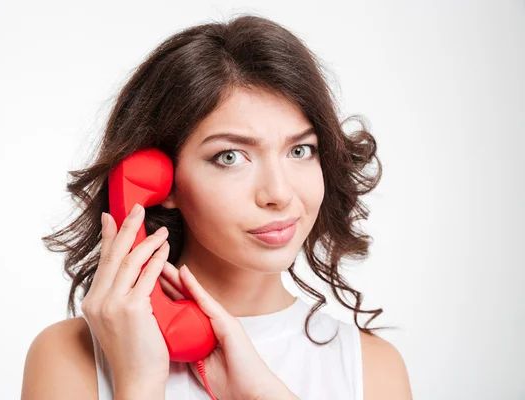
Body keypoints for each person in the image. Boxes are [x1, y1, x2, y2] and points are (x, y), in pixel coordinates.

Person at [21, 14, 412, 400]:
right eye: (230, 157)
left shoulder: (370, 369)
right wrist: (138, 384)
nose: (278, 193)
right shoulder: (68, 358)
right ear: (162, 178)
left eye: (300, 150)